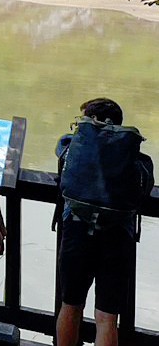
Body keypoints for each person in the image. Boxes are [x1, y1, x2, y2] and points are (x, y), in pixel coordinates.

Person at [55, 98, 153, 346]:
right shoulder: (131, 157)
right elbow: (142, 190)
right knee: (107, 318)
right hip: (117, 236)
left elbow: (62, 166)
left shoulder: (72, 147)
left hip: (77, 231)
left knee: (70, 306)